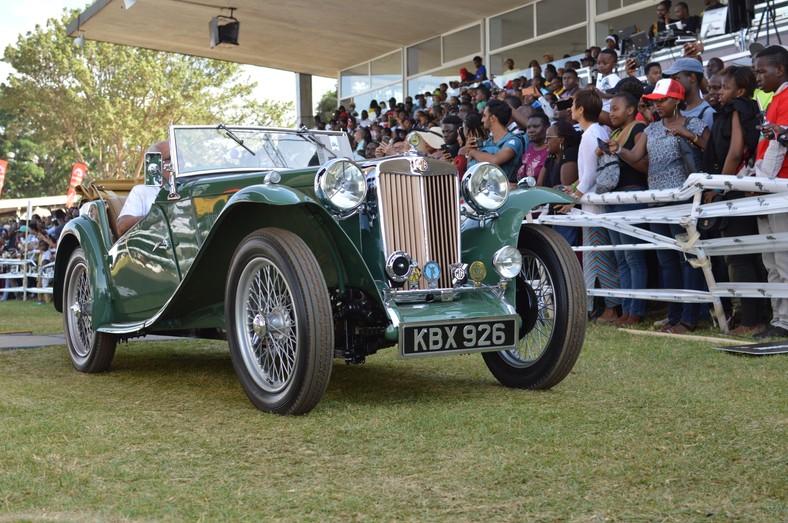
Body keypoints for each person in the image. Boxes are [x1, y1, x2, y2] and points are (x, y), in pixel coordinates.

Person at [608, 79, 710, 334]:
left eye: (662, 100)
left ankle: (690, 317)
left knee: (687, 259)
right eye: (655, 101)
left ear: (676, 100)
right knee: (666, 261)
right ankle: (674, 315)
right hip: (656, 202)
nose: (658, 105)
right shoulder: (652, 129)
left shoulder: (693, 123)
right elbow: (635, 157)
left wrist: (689, 135)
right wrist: (618, 148)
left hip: (683, 201)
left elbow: (711, 149)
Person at [702, 65, 765, 334]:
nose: (719, 93)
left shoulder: (738, 109)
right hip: (740, 188)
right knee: (747, 257)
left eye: (724, 88)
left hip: (735, 189)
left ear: (739, 91)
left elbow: (736, 151)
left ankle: (750, 320)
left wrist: (720, 187)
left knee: (739, 258)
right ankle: (753, 317)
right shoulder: (743, 108)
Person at [561, 90, 621, 323]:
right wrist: (574, 188)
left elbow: (590, 176)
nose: (570, 109)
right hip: (593, 203)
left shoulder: (590, 134)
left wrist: (573, 198)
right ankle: (600, 307)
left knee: (597, 258)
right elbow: (586, 174)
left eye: (573, 104)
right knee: (597, 256)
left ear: (581, 109)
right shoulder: (597, 131)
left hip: (593, 205)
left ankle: (607, 308)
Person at [751, 45, 788, 339]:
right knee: (771, 260)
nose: (758, 76)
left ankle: (785, 321)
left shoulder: (787, 97)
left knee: (783, 258)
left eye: (762, 71)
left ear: (780, 70)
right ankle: (779, 318)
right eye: (755, 71)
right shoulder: (774, 99)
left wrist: (761, 179)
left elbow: (780, 143)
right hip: (766, 186)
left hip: (780, 187)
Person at [604, 91, 649, 325]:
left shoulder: (639, 130)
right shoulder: (616, 133)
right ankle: (626, 310)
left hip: (632, 195)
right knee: (621, 257)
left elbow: (644, 167)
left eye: (615, 109)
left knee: (633, 256)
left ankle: (637, 311)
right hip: (613, 198)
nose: (611, 113)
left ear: (630, 110)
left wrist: (619, 152)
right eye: (610, 109)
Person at [537, 120, 581, 247]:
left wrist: (547, 193)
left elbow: (564, 190)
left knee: (561, 255)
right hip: (551, 214)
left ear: (561, 139)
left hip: (565, 215)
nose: (545, 142)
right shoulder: (551, 157)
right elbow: (539, 185)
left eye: (549, 138)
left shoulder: (570, 153)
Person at [116, 141, 169, 237]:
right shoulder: (141, 191)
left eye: (179, 158)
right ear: (154, 163)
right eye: (169, 158)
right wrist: (156, 217)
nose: (179, 162)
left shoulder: (190, 188)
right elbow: (122, 227)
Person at [465, 99, 525, 182]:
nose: (482, 120)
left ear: (492, 118)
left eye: (484, 116)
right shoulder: (486, 143)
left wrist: (473, 152)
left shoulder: (513, 141)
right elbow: (470, 170)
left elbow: (495, 160)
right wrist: (469, 152)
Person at [663, 57, 715, 128]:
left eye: (676, 79)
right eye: (671, 80)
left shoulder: (707, 114)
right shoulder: (675, 110)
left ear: (692, 78)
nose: (672, 84)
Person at [516, 113, 549, 184]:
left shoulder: (550, 150)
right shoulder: (529, 147)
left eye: (536, 126)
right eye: (528, 127)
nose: (531, 130)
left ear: (547, 127)